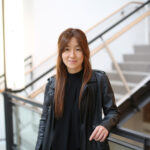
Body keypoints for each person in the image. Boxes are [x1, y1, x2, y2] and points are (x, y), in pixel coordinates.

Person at [35, 28, 120, 150]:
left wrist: (105, 125)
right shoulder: (52, 84)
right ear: (61, 53)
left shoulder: (99, 80)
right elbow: (44, 121)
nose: (72, 55)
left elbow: (113, 112)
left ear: (85, 52)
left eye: (78, 49)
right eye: (67, 49)